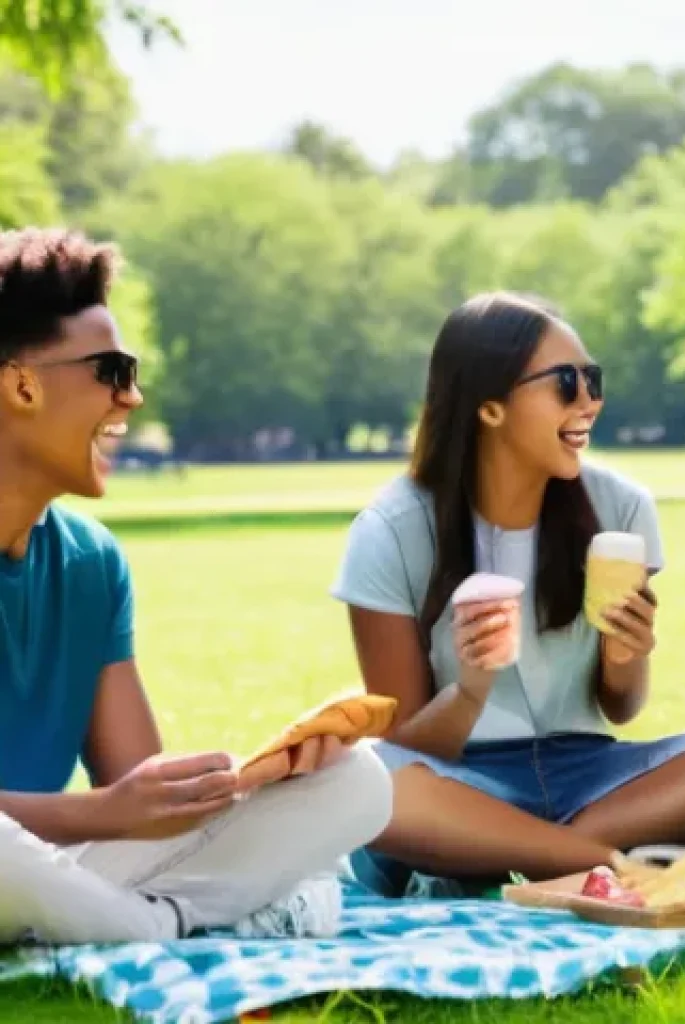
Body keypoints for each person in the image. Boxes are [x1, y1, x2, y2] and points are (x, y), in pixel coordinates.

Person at [0, 228, 392, 945]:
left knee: (360, 782)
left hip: (49, 868)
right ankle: (166, 923)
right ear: (22, 384)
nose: (133, 396)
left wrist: (256, 777)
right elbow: (116, 811)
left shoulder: (90, 562)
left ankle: (129, 922)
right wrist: (107, 814)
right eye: (111, 370)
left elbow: (143, 793)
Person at [331, 291, 685, 895]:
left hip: (594, 775)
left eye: (594, 381)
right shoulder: (389, 532)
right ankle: (607, 861)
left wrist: (629, 652)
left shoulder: (620, 508)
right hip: (465, 779)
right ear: (489, 406)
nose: (589, 403)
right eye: (566, 383)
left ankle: (504, 855)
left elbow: (620, 706)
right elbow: (406, 745)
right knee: (363, 775)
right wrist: (470, 690)